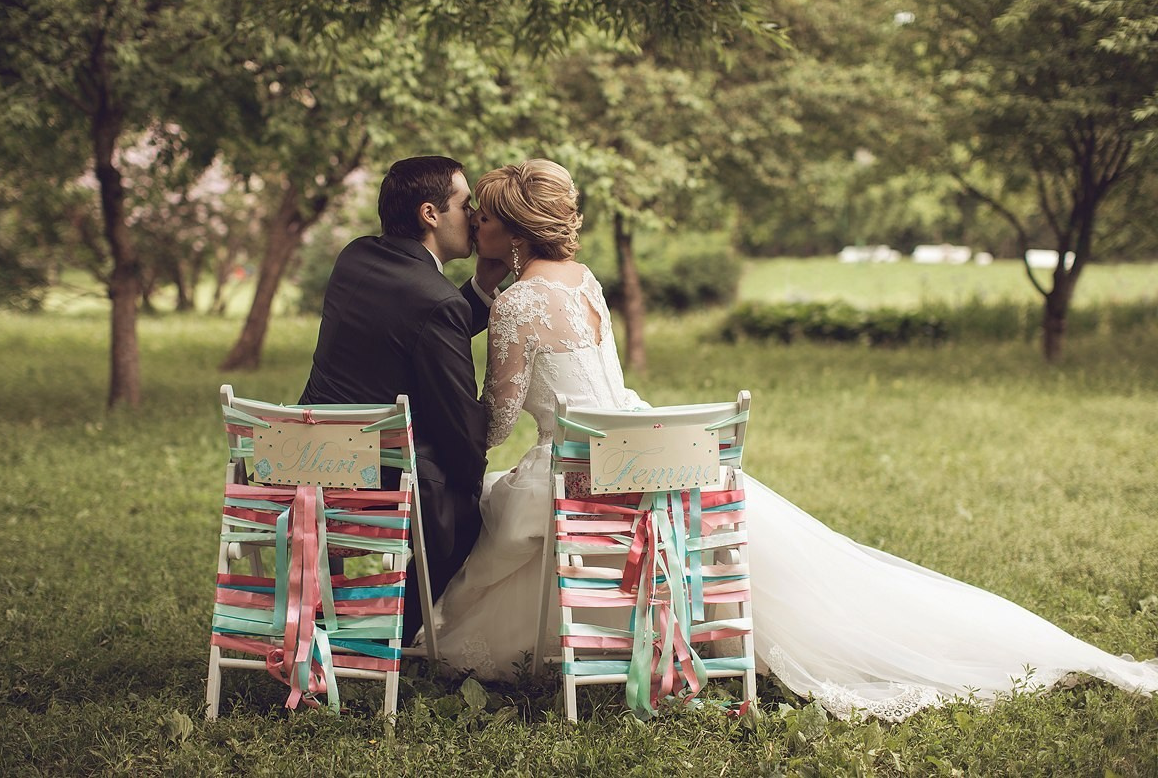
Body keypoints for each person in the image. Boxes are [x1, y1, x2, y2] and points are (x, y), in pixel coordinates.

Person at [431, 158, 1158, 721]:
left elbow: (498, 420)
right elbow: (602, 383)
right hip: (643, 447)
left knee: (505, 503)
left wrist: (453, 434)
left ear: (514, 232)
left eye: (487, 218)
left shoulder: (517, 304)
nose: (478, 227)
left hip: (581, 467)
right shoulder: (585, 281)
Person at [299, 155, 509, 644]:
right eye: (465, 205)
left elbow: (409, 325)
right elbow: (461, 429)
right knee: (464, 507)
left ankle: (330, 621)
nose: (475, 219)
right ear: (430, 214)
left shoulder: (355, 257)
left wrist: (479, 289)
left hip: (304, 465)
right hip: (369, 479)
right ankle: (381, 634)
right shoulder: (436, 302)